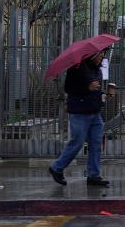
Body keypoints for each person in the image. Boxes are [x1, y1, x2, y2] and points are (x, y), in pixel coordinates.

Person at [48, 51, 109, 187]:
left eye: (103, 54)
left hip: (95, 112)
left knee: (96, 144)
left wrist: (102, 95)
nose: (102, 57)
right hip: (80, 112)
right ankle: (57, 168)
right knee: (77, 142)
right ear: (92, 55)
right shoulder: (77, 68)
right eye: (100, 54)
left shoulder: (97, 69)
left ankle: (94, 175)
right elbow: (69, 88)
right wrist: (87, 87)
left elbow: (96, 89)